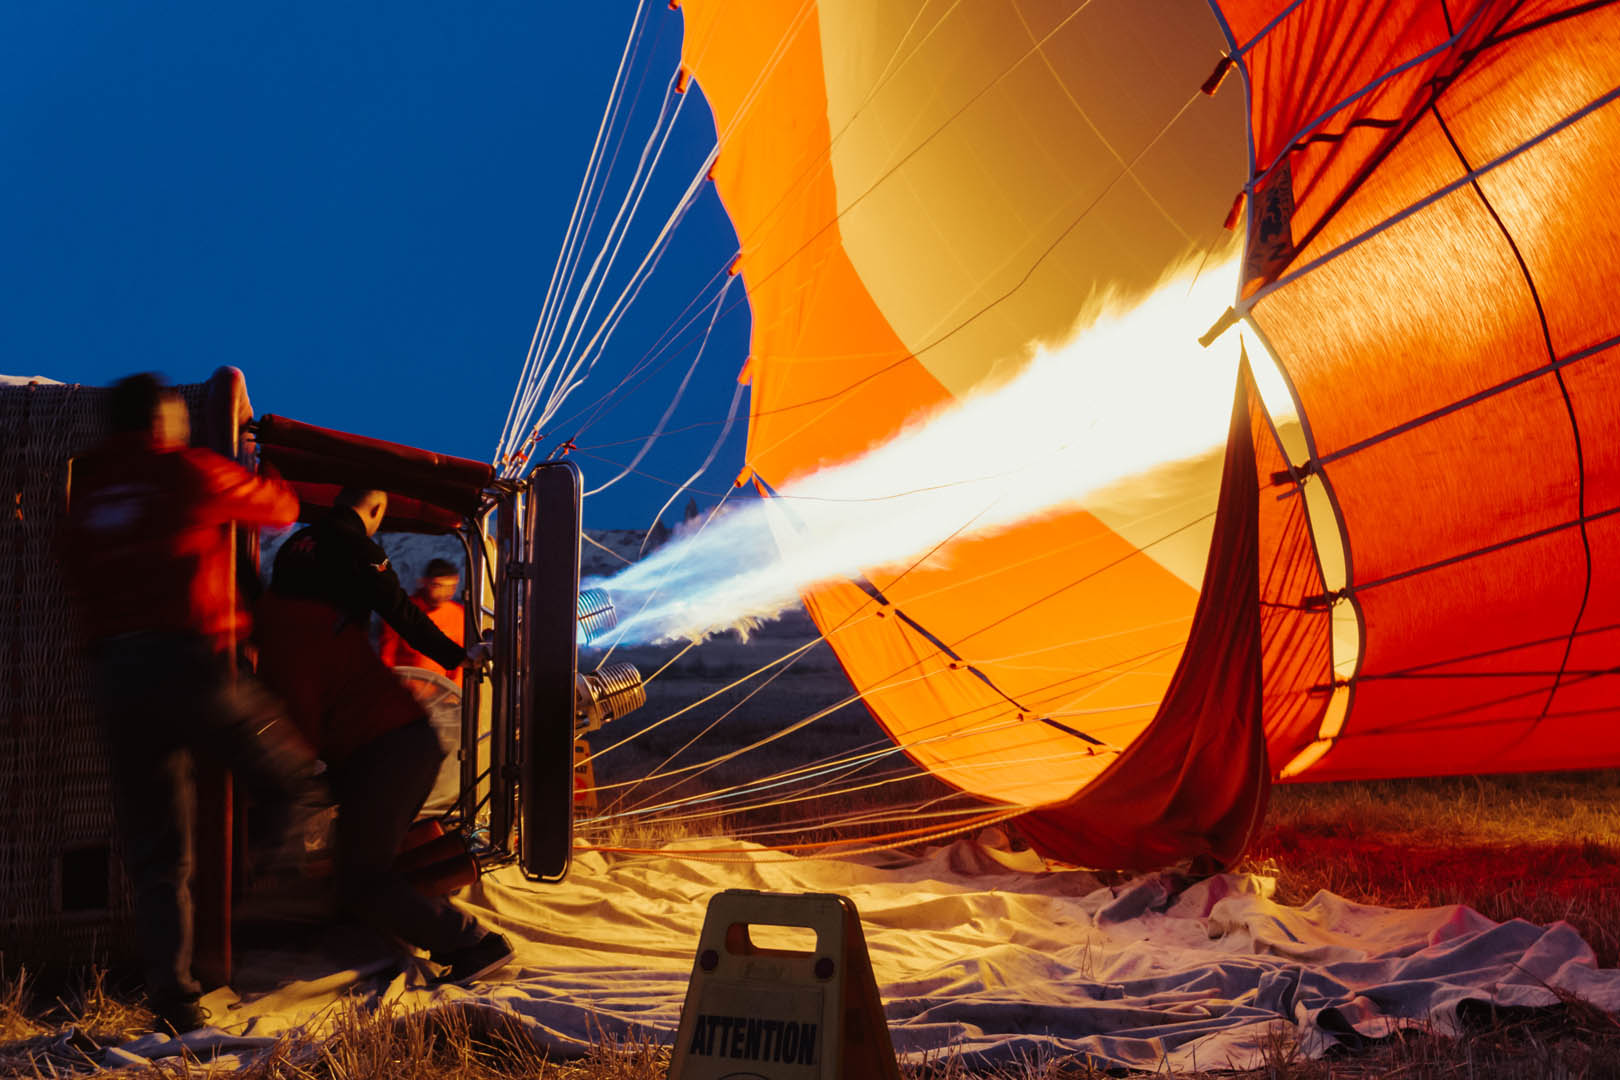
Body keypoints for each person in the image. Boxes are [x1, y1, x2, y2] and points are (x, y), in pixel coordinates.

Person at [61, 373, 319, 1034]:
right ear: (162, 420)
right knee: (287, 777)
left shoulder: (83, 486)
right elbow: (281, 508)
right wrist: (257, 468)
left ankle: (173, 998)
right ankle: (271, 892)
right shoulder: (190, 471)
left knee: (158, 852)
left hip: (114, 675)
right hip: (189, 663)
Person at [254, 488, 512, 984]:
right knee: (357, 867)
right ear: (375, 512)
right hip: (383, 741)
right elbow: (399, 615)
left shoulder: (293, 603)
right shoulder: (314, 618)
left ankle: (474, 945)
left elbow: (302, 718)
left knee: (363, 874)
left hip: (389, 746)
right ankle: (439, 934)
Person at [379, 557, 465, 685]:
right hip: (405, 692)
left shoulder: (459, 614)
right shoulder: (402, 610)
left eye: (451, 587)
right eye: (438, 586)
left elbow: (461, 668)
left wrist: (452, 699)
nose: (445, 593)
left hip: (442, 697)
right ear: (425, 582)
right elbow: (387, 656)